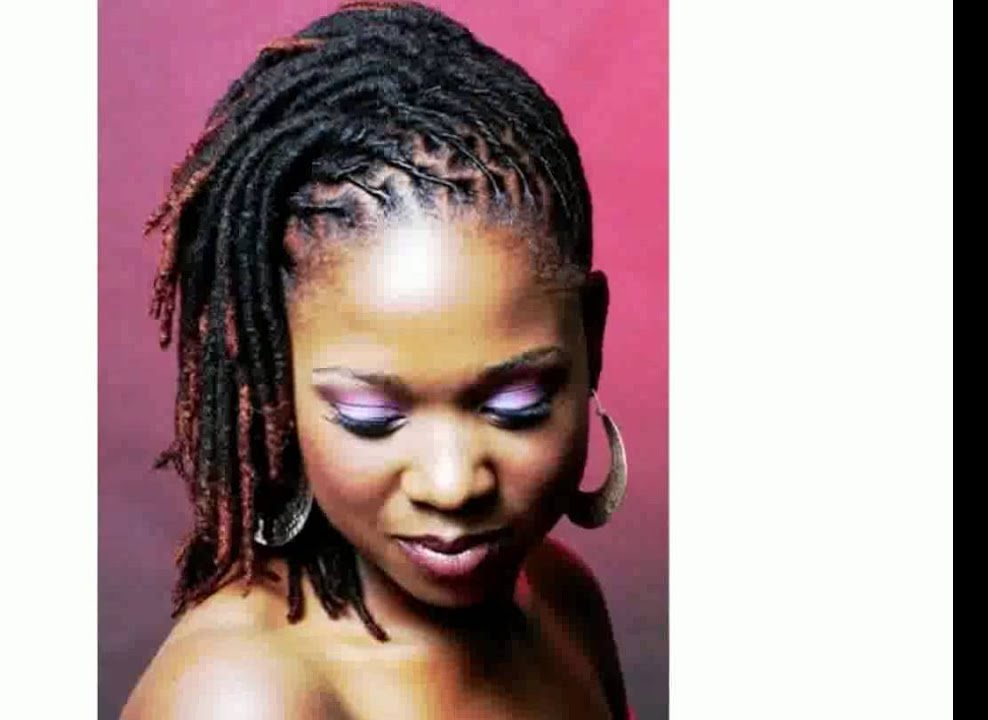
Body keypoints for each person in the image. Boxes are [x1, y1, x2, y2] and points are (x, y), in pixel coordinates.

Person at [121, 2, 633, 717]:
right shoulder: (242, 697)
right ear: (277, 386)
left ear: (592, 338)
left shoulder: (560, 596)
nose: (452, 485)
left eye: (515, 406)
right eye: (371, 416)